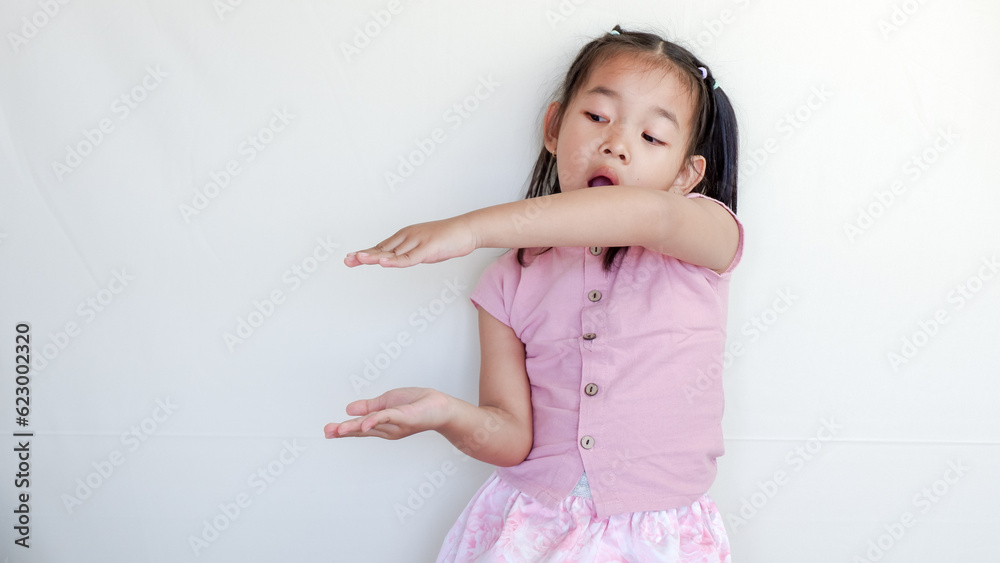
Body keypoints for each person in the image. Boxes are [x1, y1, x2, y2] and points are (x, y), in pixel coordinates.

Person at [325, 24, 743, 562]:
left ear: (687, 175)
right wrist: (446, 414)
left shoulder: (704, 236)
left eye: (651, 138)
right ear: (553, 125)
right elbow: (510, 437)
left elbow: (650, 214)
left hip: (656, 539)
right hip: (530, 527)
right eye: (597, 117)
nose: (616, 144)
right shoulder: (507, 282)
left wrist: (470, 228)